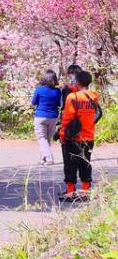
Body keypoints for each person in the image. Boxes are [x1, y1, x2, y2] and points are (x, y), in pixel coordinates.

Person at [60, 70, 100, 201]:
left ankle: (71, 192)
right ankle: (85, 192)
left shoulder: (73, 97)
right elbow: (96, 113)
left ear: (77, 82)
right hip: (89, 136)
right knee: (85, 163)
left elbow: (67, 118)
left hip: (73, 137)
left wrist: (62, 133)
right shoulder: (94, 96)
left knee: (70, 165)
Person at [31, 70, 61, 164]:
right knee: (47, 139)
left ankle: (49, 158)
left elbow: (33, 102)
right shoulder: (57, 91)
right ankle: (42, 159)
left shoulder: (39, 89)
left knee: (41, 138)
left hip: (40, 116)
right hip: (53, 117)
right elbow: (59, 104)